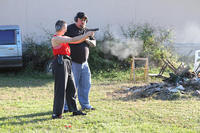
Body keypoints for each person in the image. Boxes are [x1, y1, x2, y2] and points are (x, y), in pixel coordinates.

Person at [51, 20, 94, 119]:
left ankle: (74, 110)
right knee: (60, 89)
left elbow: (76, 40)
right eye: (65, 27)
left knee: (72, 88)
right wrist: (86, 34)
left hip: (67, 62)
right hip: (60, 63)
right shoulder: (56, 39)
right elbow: (73, 40)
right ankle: (57, 113)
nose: (66, 29)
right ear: (61, 28)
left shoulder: (63, 37)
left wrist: (86, 36)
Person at [64, 12, 96, 111]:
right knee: (72, 86)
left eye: (85, 20)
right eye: (81, 20)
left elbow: (94, 44)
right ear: (76, 19)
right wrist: (85, 36)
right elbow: (71, 40)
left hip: (84, 63)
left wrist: (87, 38)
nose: (83, 22)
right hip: (73, 62)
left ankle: (85, 105)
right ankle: (66, 106)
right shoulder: (69, 29)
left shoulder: (87, 31)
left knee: (86, 85)